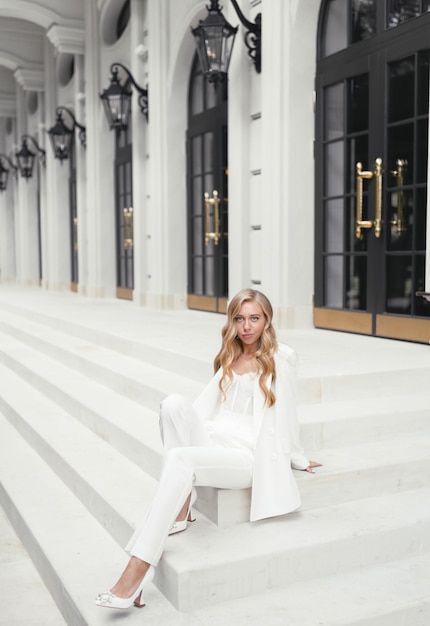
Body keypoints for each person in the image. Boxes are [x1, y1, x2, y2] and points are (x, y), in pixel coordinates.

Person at [95, 288, 321, 610]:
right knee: (172, 404)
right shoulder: (230, 355)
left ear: (266, 321)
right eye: (240, 319)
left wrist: (297, 458)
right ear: (232, 322)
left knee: (179, 458)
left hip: (245, 458)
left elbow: (288, 413)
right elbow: (209, 408)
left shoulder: (280, 358)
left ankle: (139, 566)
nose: (246, 327)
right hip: (215, 443)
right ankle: (183, 505)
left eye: (255, 319)